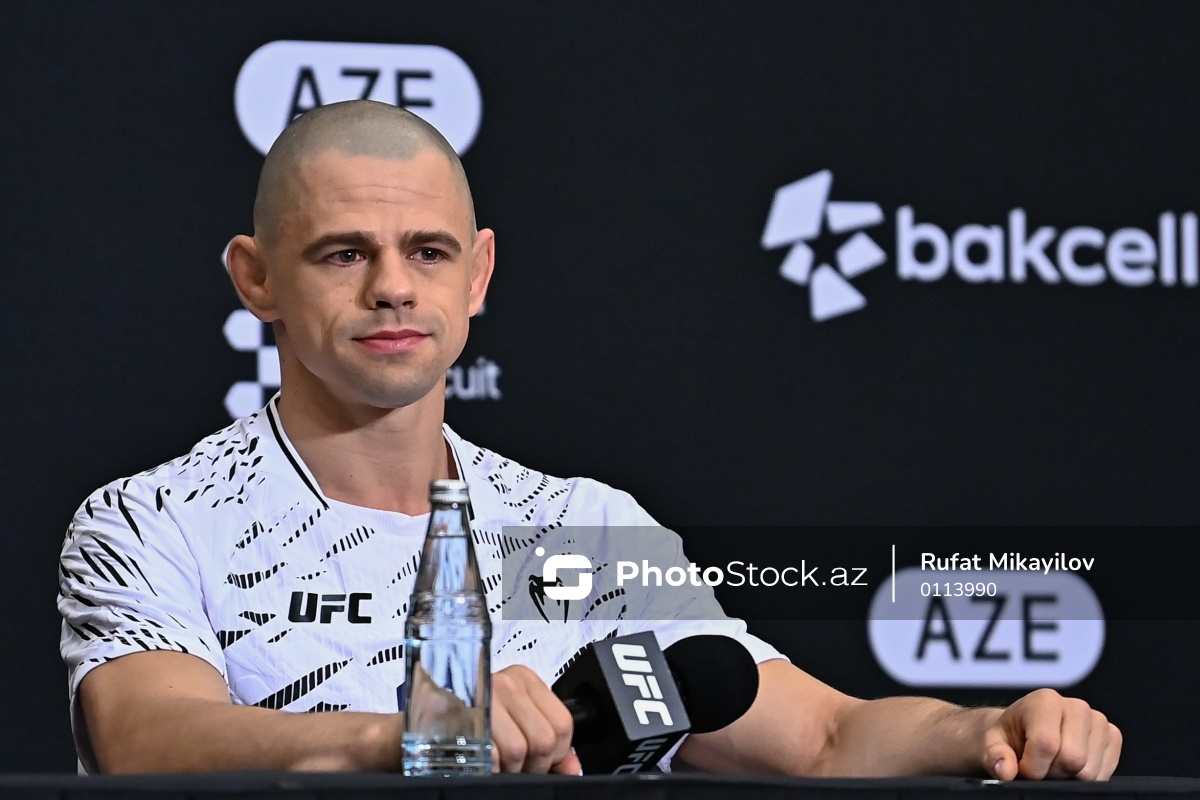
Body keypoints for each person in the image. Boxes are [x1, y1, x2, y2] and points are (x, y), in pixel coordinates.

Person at [58, 100, 1121, 779]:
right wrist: (417, 740)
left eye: (428, 251)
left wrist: (987, 729)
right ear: (256, 279)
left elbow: (824, 735)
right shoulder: (155, 520)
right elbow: (145, 740)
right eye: (343, 252)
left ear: (477, 274)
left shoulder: (579, 527)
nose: (392, 287)